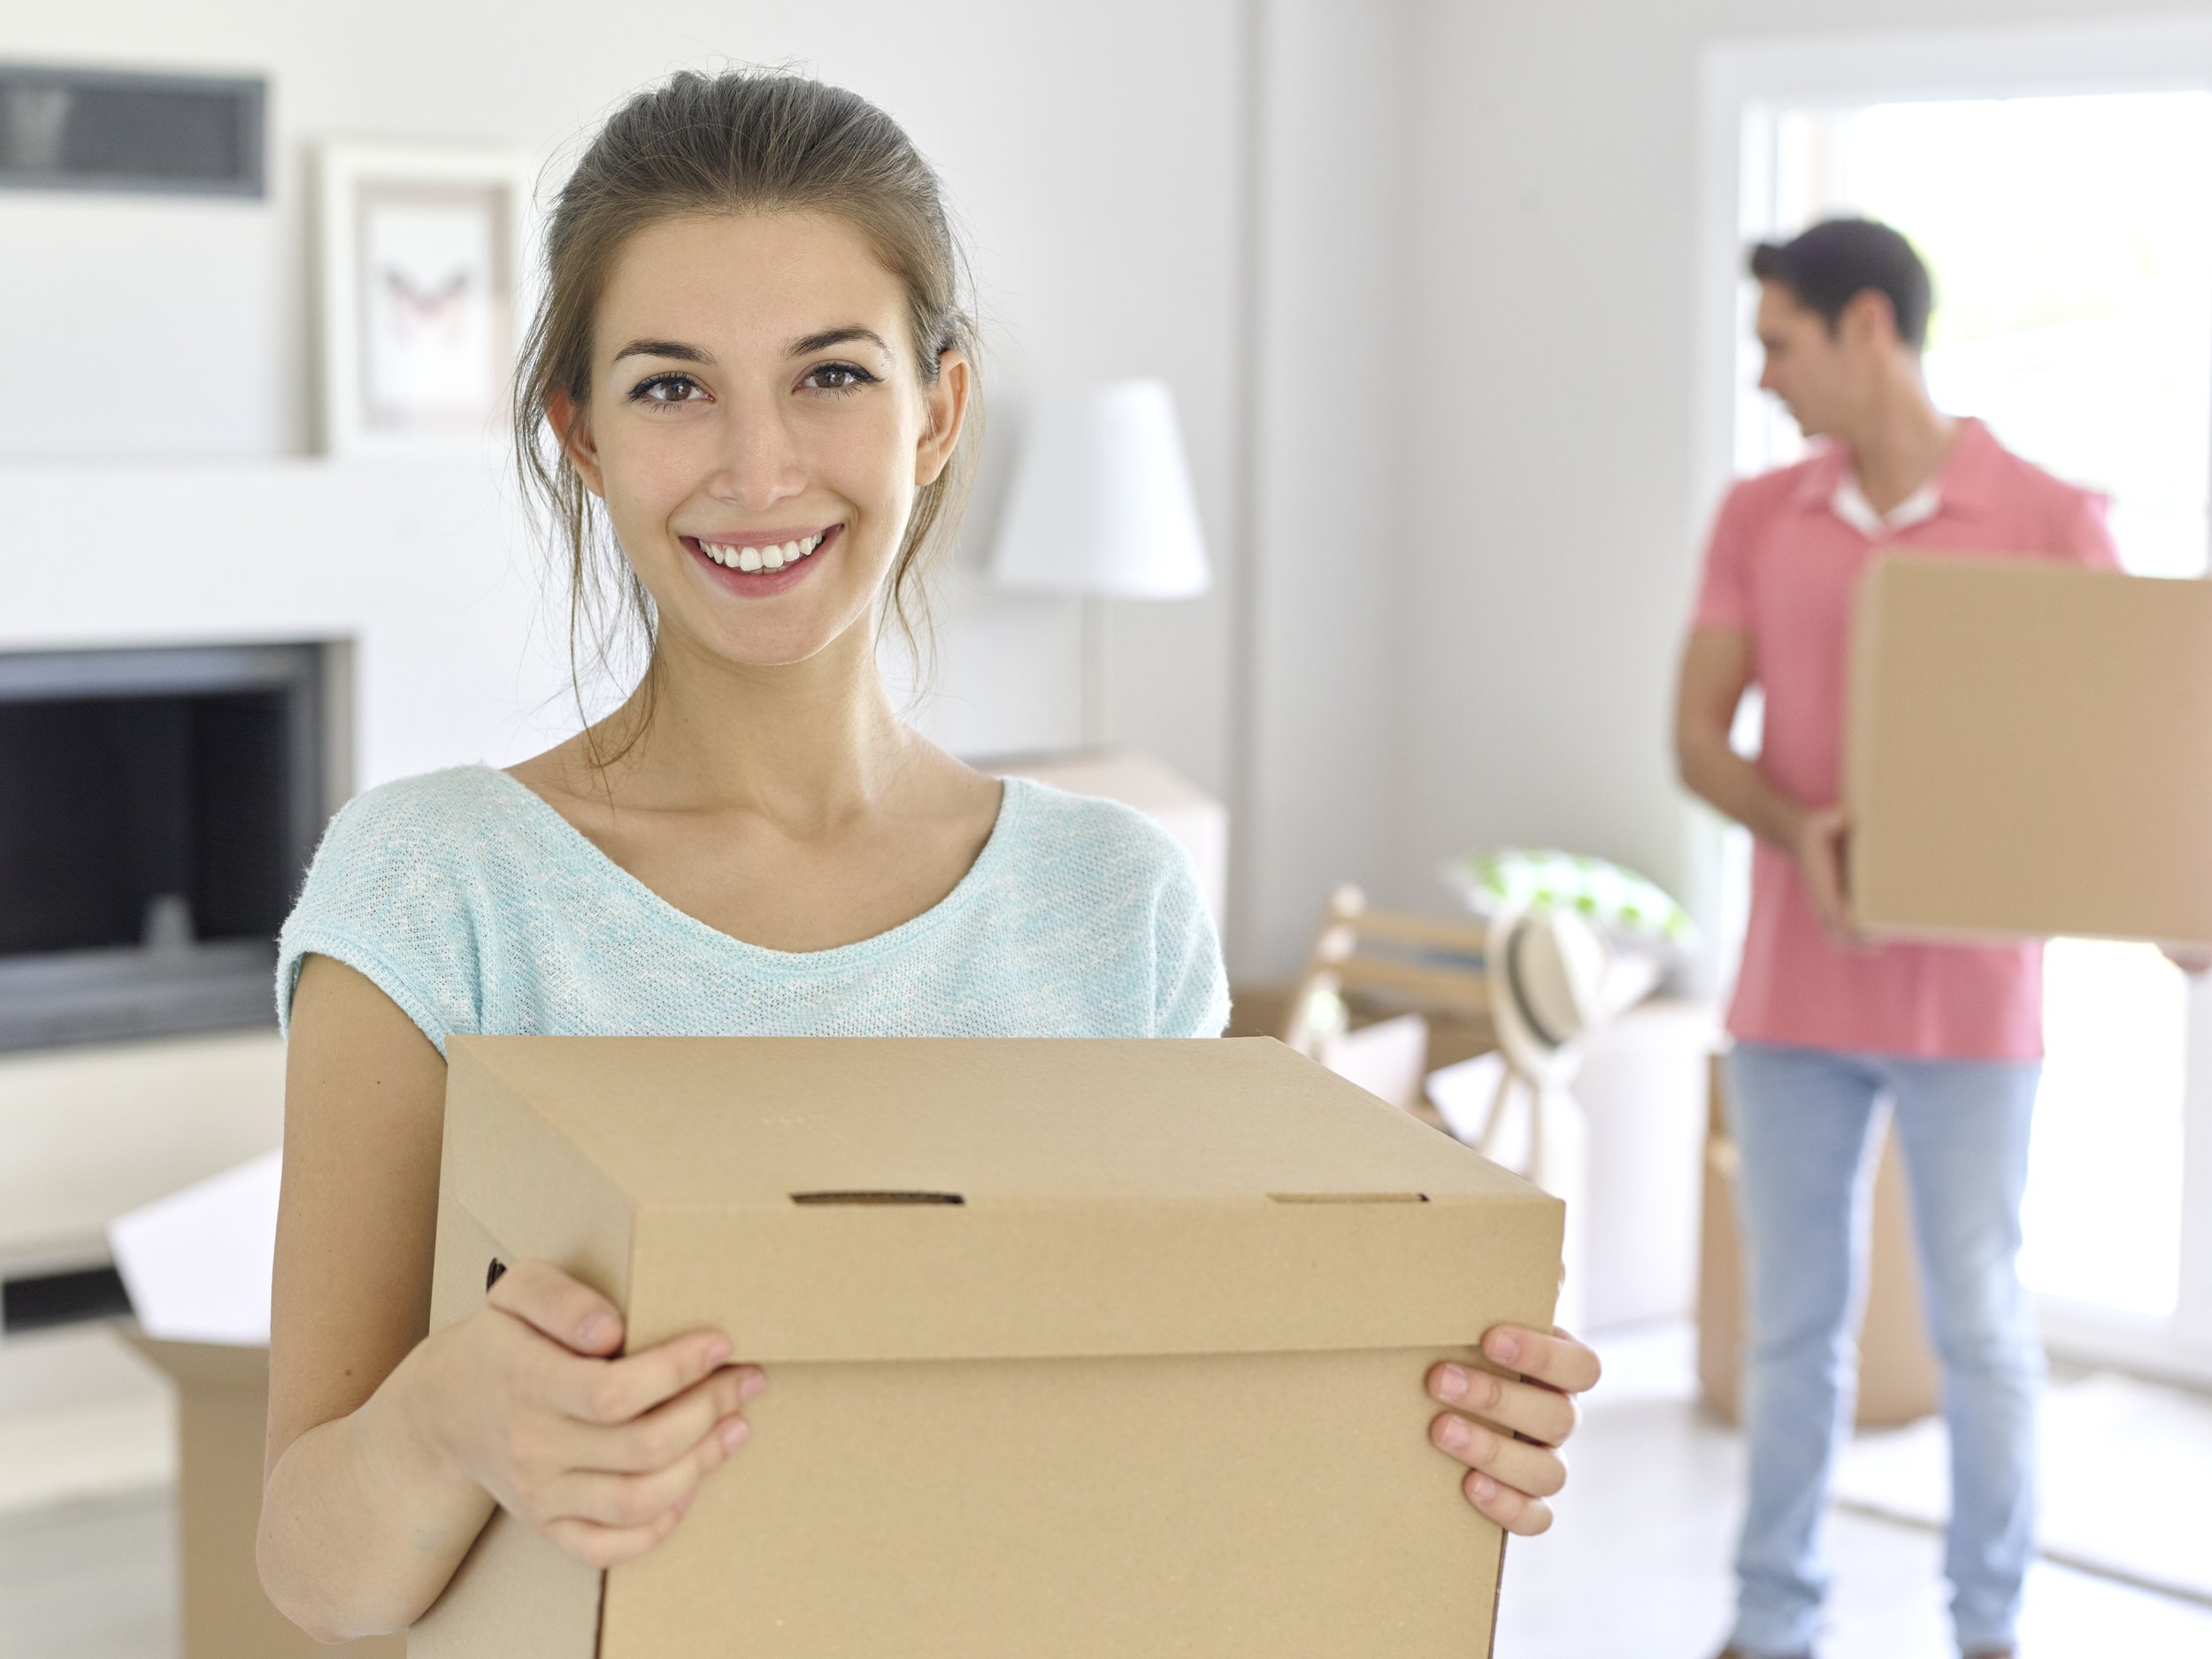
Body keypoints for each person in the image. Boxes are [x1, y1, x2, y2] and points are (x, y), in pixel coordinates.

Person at [254, 69, 1601, 1641]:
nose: (757, 471)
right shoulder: (435, 890)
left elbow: (1156, 1445)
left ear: (938, 409)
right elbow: (308, 1567)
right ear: (583, 435)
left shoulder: (1113, 903)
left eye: (829, 374)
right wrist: (444, 1425)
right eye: (673, 388)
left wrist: (1418, 1417)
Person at [1675, 217, 2120, 1659]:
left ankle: (1988, 1627)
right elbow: (1697, 737)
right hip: (1794, 999)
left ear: (1867, 326)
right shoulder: (1759, 515)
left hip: (1974, 1007)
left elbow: (2116, 751)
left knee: (1984, 1330)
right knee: (1793, 1337)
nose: (1764, 378)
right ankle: (1768, 1622)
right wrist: (1797, 831)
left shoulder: (2052, 519)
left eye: (1778, 345)